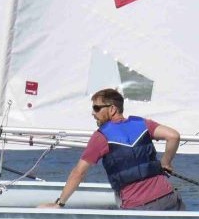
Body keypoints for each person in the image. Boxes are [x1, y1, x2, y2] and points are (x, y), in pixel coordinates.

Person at [40, 88, 184, 211]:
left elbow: (79, 172)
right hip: (169, 198)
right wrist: (166, 162)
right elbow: (174, 136)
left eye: (97, 108)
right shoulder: (143, 124)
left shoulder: (101, 137)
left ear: (113, 109)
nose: (93, 113)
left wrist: (59, 203)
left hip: (139, 207)